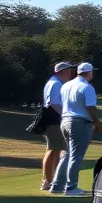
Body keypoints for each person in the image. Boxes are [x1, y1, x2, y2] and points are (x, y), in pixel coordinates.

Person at [49, 61, 100, 196]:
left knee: (66, 155)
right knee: (76, 156)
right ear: (89, 73)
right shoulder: (87, 87)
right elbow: (90, 107)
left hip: (65, 121)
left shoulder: (66, 85)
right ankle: (71, 187)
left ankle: (57, 185)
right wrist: (96, 121)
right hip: (80, 122)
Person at [40, 61, 75, 191]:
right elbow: (54, 104)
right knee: (53, 149)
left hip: (53, 119)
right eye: (68, 70)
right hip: (53, 119)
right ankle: (47, 181)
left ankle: (52, 180)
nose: (70, 72)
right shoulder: (55, 84)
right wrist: (65, 115)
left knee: (56, 150)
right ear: (62, 72)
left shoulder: (55, 82)